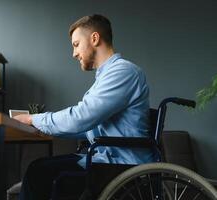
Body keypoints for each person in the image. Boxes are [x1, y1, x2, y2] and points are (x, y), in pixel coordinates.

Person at [14, 14, 155, 200]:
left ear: (94, 39)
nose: (74, 53)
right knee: (38, 169)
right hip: (107, 159)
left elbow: (82, 117)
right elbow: (89, 125)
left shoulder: (123, 72)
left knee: (39, 172)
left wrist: (33, 119)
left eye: (76, 44)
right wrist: (47, 129)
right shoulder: (106, 77)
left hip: (122, 166)